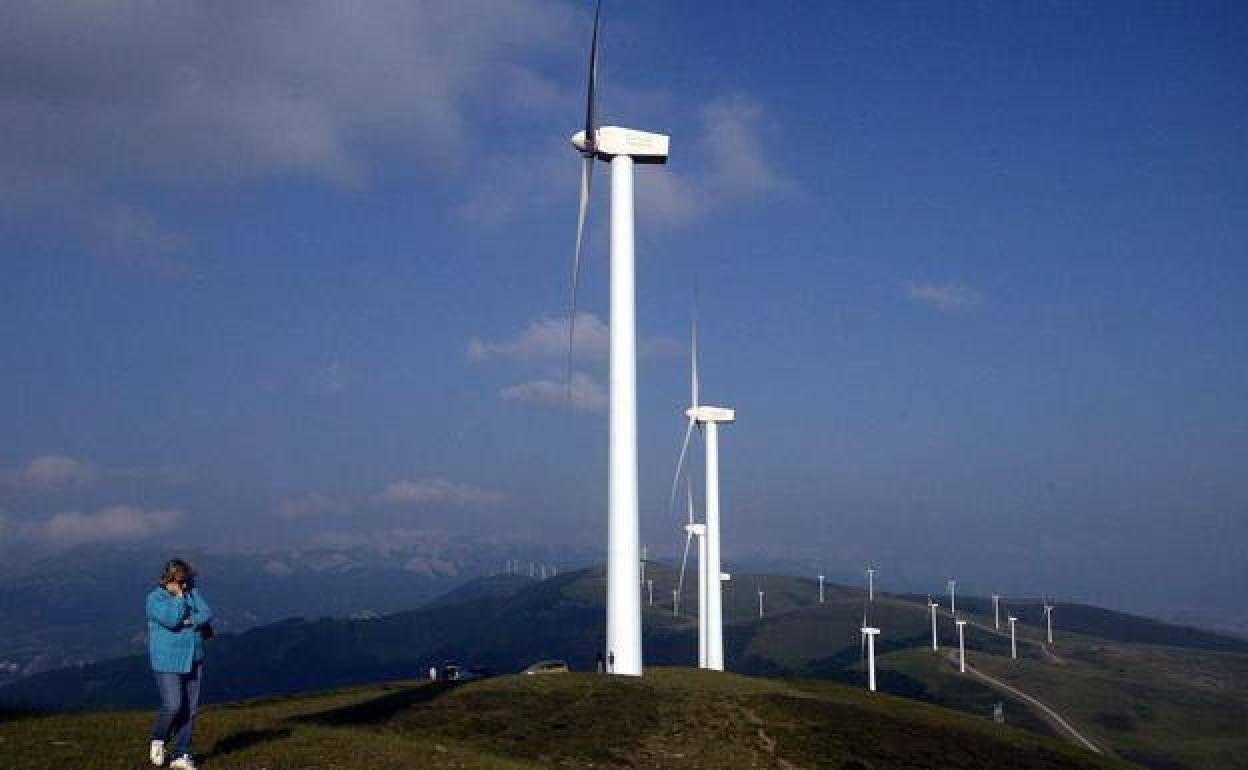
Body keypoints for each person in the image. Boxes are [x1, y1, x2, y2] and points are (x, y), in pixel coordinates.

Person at [146, 559, 213, 770]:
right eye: (182, 581)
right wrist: (179, 598)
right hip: (167, 661)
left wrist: (191, 621)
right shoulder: (154, 599)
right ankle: (158, 739)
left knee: (190, 709)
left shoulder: (192, 592)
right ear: (170, 579)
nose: (186, 585)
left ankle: (181, 755)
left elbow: (206, 613)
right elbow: (172, 620)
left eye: (187, 580)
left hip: (194, 657)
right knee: (173, 705)